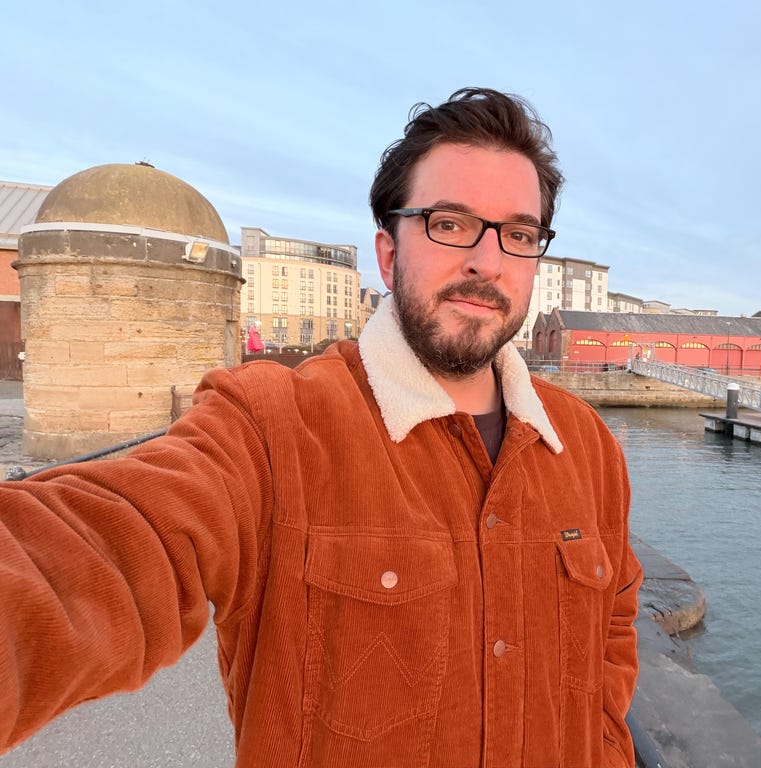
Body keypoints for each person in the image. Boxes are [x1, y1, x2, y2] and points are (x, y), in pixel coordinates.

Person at [0, 88, 642, 768]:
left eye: (518, 234)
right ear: (388, 255)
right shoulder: (272, 427)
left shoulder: (586, 445)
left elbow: (614, 628)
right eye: (450, 223)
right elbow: (103, 547)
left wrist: (605, 747)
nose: (488, 261)